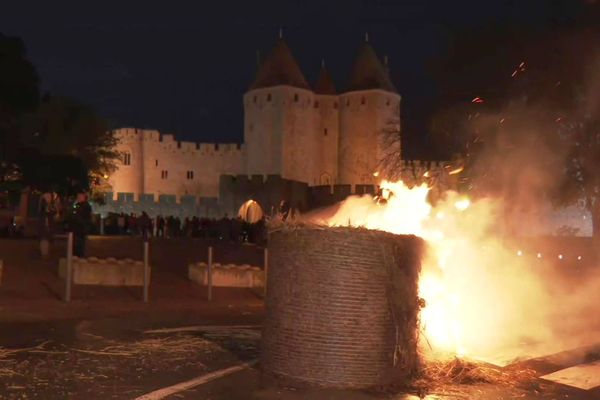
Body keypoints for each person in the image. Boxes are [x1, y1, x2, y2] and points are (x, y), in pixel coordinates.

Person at [38, 192, 59, 258]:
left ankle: (45, 253)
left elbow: (54, 213)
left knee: (46, 239)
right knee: (44, 239)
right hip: (45, 224)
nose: (49, 198)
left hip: (48, 224)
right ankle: (44, 253)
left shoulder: (50, 205)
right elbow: (48, 211)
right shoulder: (45, 206)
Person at [71, 193, 92, 257]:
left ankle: (81, 255)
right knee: (76, 243)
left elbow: (83, 217)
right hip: (77, 228)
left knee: (81, 243)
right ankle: (77, 255)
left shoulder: (86, 206)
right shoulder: (77, 205)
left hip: (82, 228)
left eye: (80, 196)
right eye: (78, 196)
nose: (78, 198)